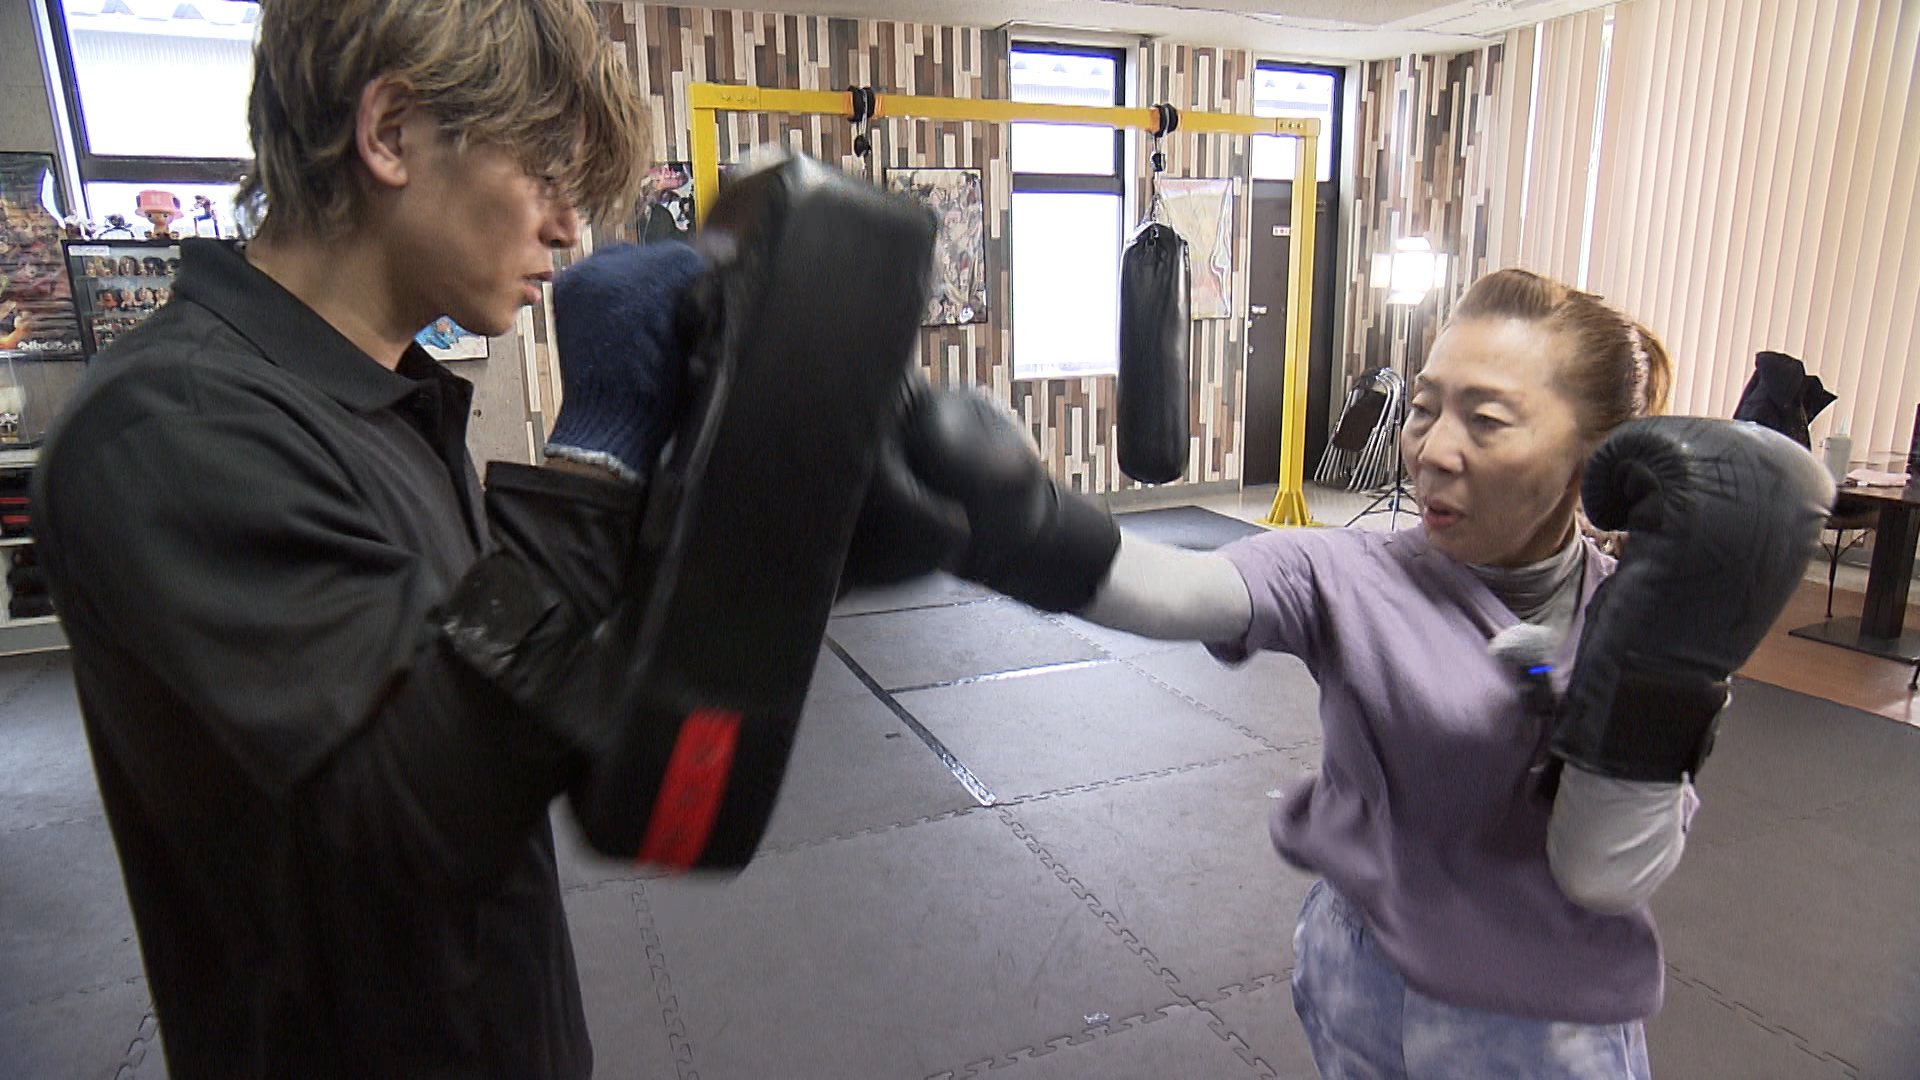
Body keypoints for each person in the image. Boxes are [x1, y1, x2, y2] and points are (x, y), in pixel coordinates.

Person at [32, 1, 934, 1075]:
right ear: (392, 132)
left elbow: (528, 710)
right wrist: (601, 448)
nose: (569, 228)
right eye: (545, 173)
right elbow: (413, 818)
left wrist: (778, 531)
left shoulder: (387, 401)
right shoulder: (166, 433)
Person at [867, 268, 1832, 1078]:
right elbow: (1179, 589)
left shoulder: (1641, 625)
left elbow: (1602, 872)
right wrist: (1020, 531)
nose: (1433, 452)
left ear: (1591, 461)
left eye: (1486, 421)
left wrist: (1656, 675)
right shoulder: (1349, 570)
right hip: (1354, 968)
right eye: (1425, 408)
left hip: (1538, 1019)